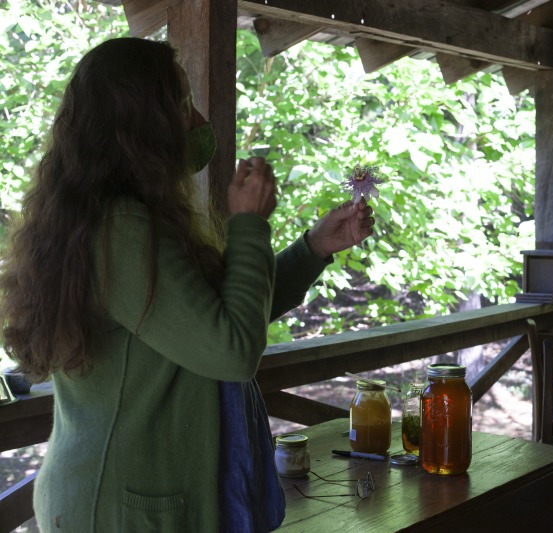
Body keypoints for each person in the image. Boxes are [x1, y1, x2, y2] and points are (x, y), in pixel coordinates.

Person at [0, 37, 374, 532]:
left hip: (123, 500)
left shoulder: (115, 219)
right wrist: (248, 224)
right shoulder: (122, 229)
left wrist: (313, 249)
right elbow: (231, 350)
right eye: (180, 103)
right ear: (144, 126)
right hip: (121, 509)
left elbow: (215, 318)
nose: (197, 118)